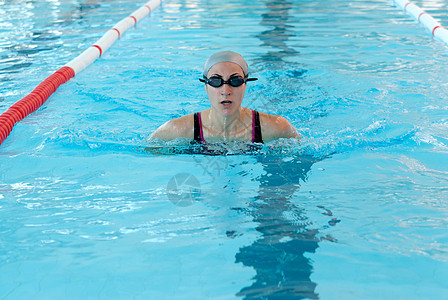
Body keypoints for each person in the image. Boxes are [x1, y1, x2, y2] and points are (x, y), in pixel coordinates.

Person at [151, 51, 299, 144]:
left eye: (235, 81)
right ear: (206, 86)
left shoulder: (277, 128)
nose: (225, 91)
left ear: (245, 85)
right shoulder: (177, 129)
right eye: (216, 81)